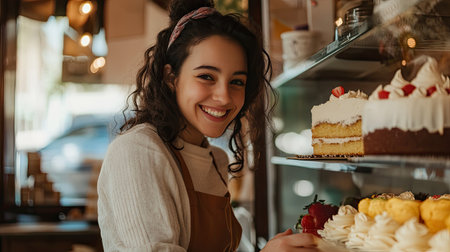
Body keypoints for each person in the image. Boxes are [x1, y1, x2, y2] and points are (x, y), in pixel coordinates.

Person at [97, 0, 319, 251]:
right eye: (206, 77)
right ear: (171, 77)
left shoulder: (216, 159)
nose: (224, 97)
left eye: (237, 81)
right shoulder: (137, 151)